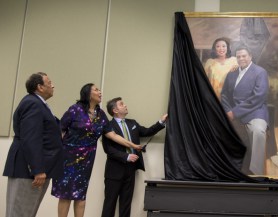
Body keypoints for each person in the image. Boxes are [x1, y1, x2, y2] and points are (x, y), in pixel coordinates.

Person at [51, 83, 142, 217]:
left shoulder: (101, 114)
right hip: (68, 158)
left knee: (81, 195)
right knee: (66, 195)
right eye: (96, 90)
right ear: (88, 93)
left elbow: (112, 135)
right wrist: (55, 154)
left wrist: (132, 145)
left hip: (87, 159)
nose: (100, 92)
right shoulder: (75, 109)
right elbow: (60, 130)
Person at [3, 72, 63, 217]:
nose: (53, 85)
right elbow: (31, 138)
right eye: (49, 83)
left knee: (27, 212)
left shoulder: (38, 103)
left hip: (36, 169)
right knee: (20, 212)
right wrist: (37, 169)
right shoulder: (32, 103)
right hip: (28, 170)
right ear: (40, 87)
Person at [101, 97, 167, 217]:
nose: (125, 105)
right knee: (109, 204)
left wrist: (161, 122)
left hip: (130, 170)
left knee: (126, 204)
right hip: (114, 171)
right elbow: (108, 149)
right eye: (122, 104)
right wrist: (126, 156)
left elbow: (147, 132)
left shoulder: (132, 123)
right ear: (115, 110)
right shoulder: (108, 126)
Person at [221, 46, 269, 175]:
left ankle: (256, 172)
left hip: (255, 111)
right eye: (238, 56)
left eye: (244, 56)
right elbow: (224, 94)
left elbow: (258, 97)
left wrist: (234, 112)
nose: (241, 58)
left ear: (250, 56)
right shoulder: (231, 74)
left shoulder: (260, 72)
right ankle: (225, 169)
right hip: (233, 112)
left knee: (258, 131)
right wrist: (227, 111)